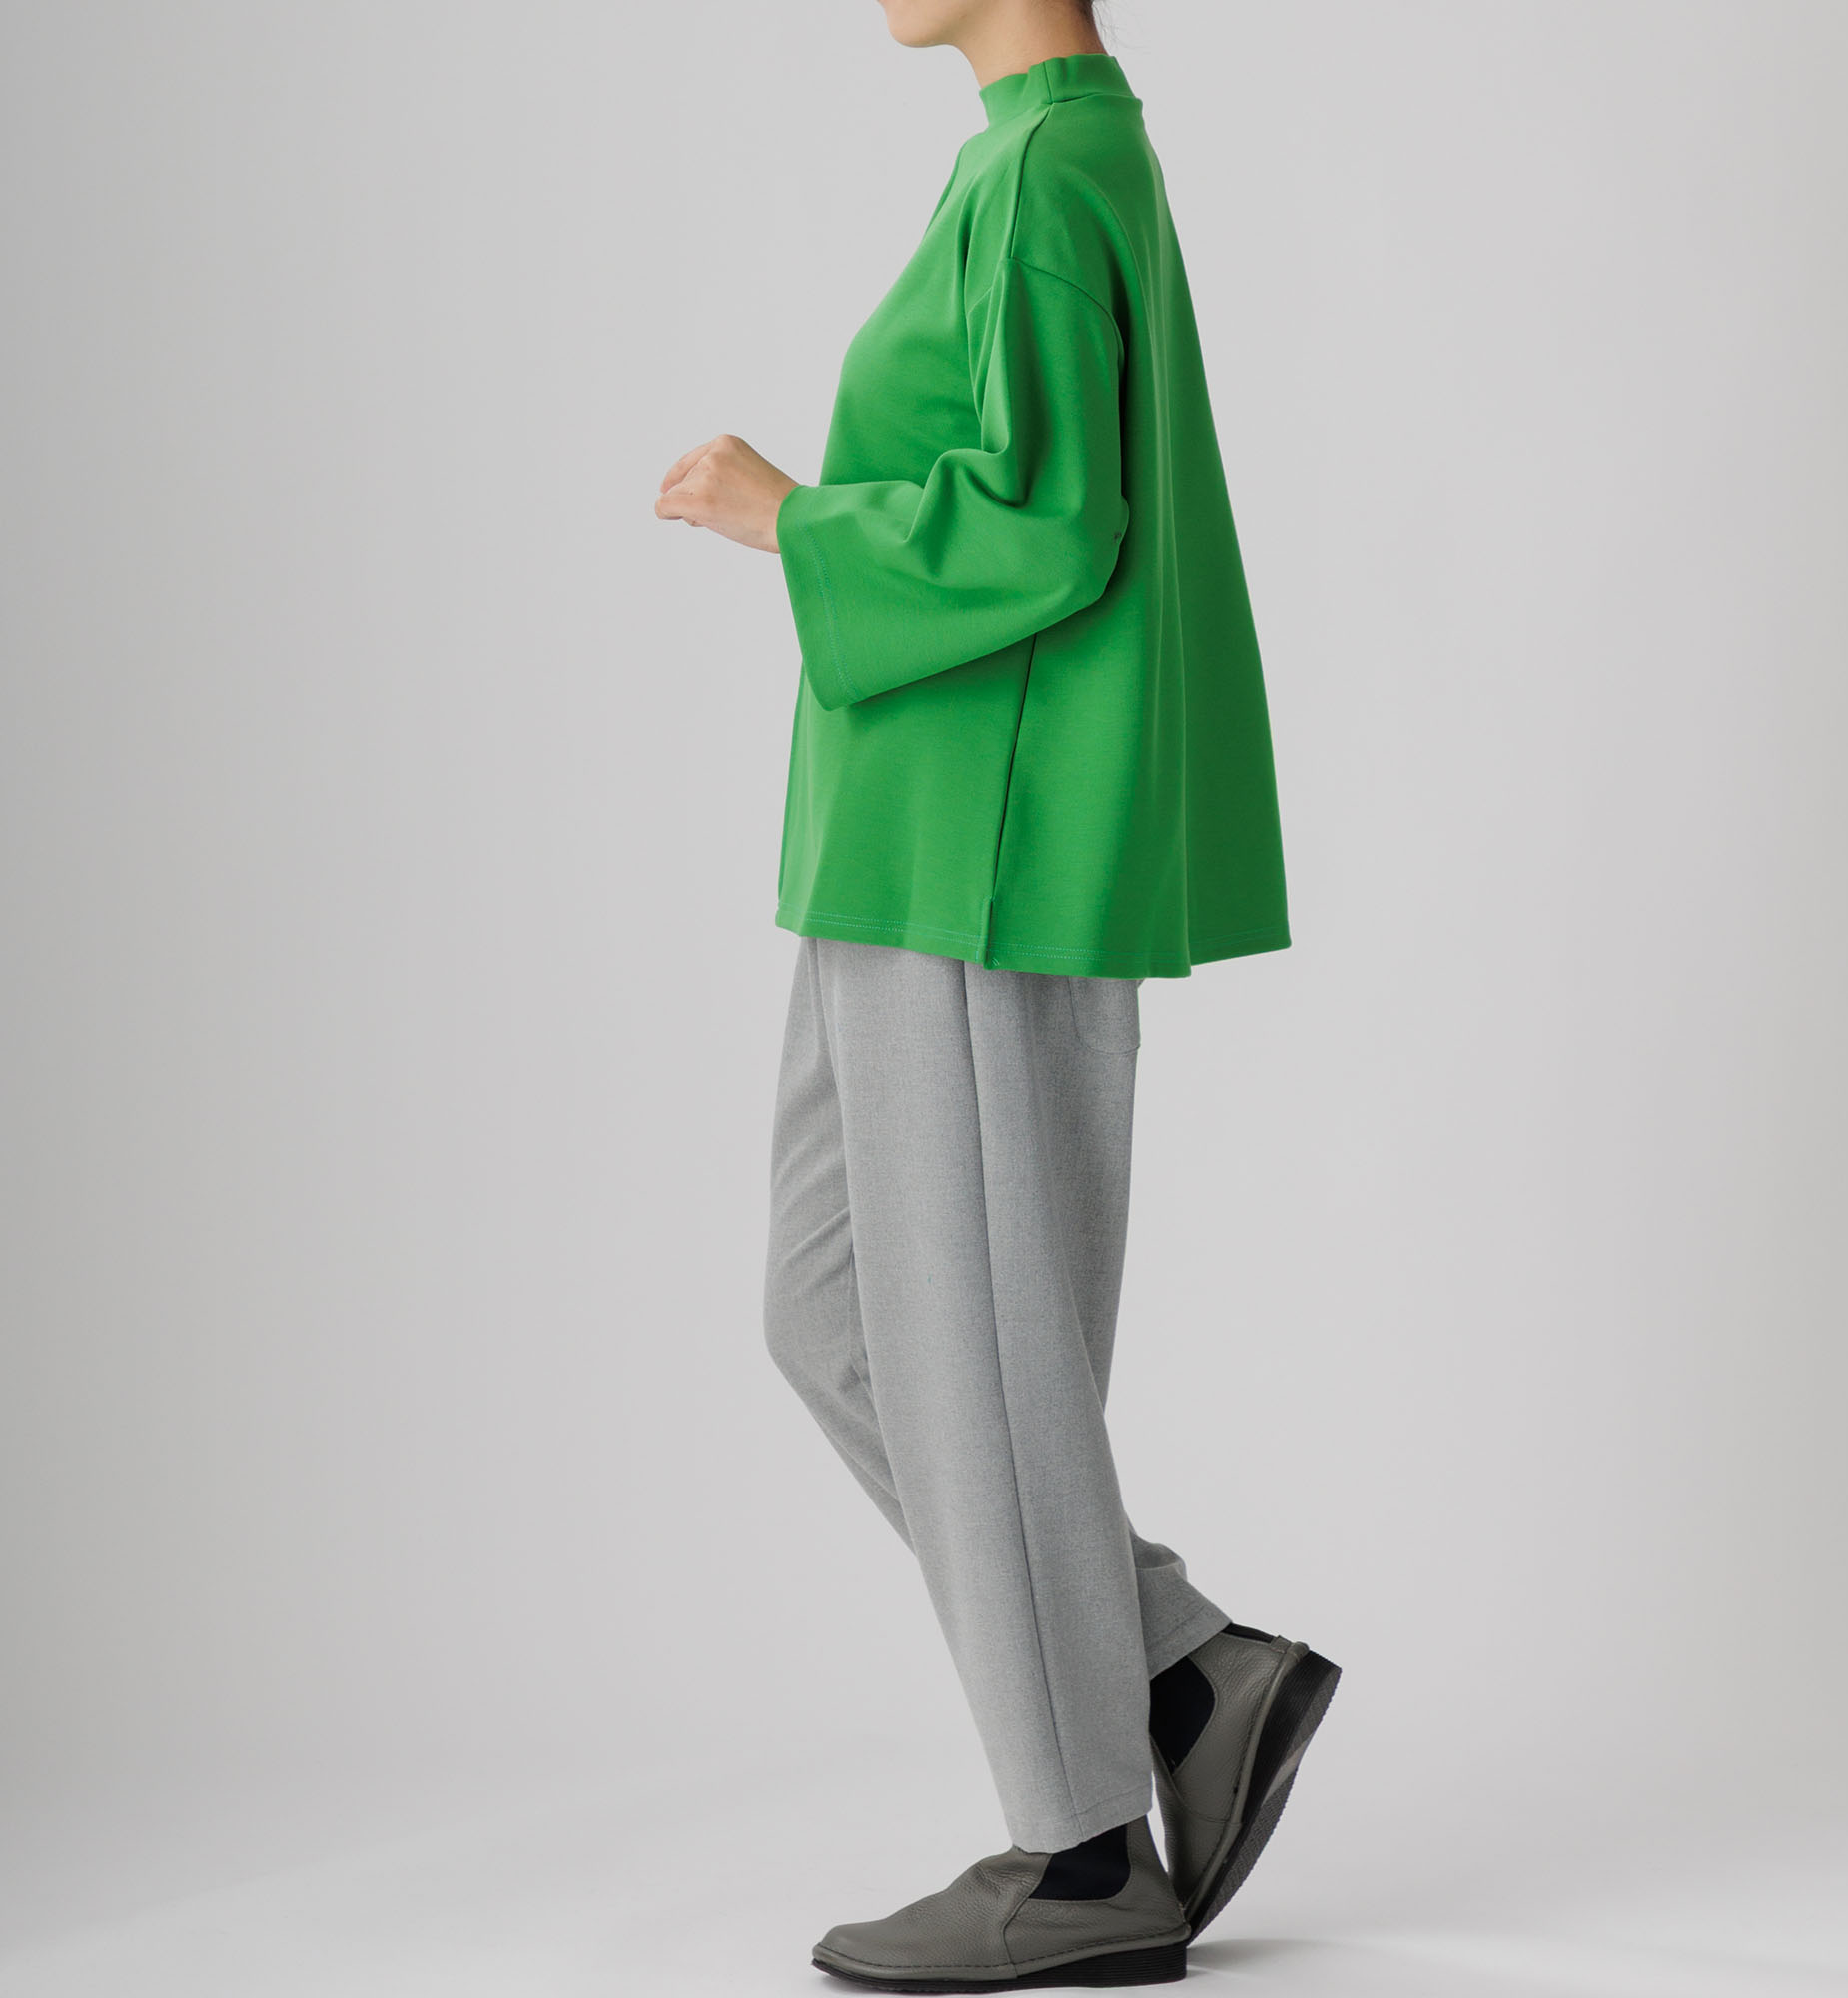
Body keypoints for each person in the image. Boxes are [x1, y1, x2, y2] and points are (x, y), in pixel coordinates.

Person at [654, 1, 1338, 1986]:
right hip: (901, 838)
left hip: (981, 843)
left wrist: (787, 514)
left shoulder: (1051, 169)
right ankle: (1183, 1669)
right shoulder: (1028, 158)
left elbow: (1048, 524)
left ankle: (1079, 1851)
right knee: (834, 1314)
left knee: (976, 1345)